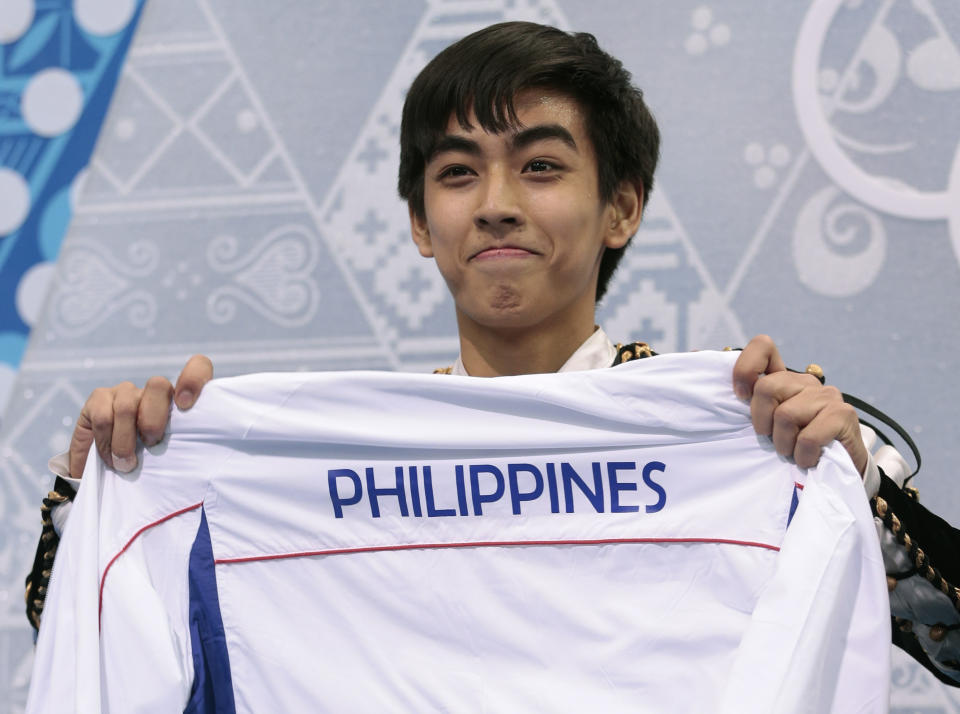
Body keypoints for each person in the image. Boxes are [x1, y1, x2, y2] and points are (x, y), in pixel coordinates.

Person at [25, 20, 960, 688]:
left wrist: (852, 492)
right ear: (422, 224)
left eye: (542, 166)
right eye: (458, 172)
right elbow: (101, 644)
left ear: (623, 208)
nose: (497, 202)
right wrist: (115, 487)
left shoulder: (749, 433)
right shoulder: (331, 455)